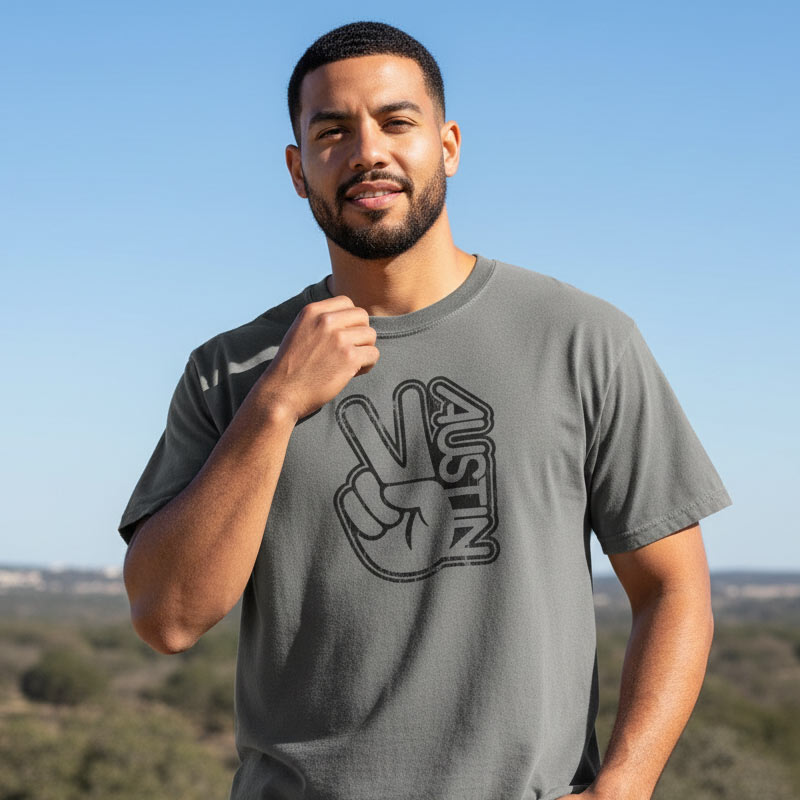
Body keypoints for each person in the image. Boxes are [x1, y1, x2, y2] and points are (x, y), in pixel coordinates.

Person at [118, 21, 732, 800]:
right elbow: (166, 619)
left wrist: (626, 783)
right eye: (332, 131)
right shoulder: (230, 371)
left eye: (395, 122)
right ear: (297, 169)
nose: (366, 150)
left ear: (448, 146)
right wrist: (274, 406)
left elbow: (674, 590)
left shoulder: (583, 339)